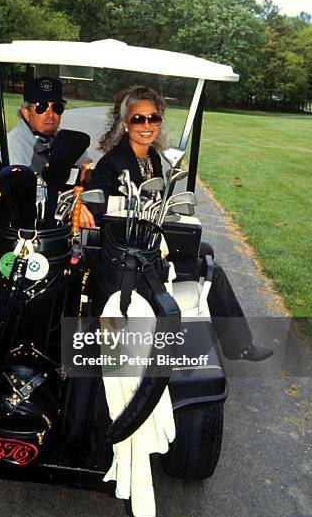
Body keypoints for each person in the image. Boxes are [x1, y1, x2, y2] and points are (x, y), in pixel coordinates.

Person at [83, 84, 272, 362]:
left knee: (203, 249)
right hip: (130, 255)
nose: (147, 125)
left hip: (148, 241)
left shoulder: (151, 158)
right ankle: (239, 345)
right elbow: (97, 207)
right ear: (126, 124)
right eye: (138, 119)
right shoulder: (113, 163)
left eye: (153, 118)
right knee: (212, 270)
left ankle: (220, 336)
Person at [5, 76, 90, 176]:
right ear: (26, 113)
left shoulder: (62, 138)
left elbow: (85, 164)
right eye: (41, 107)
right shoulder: (15, 148)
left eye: (57, 107)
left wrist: (86, 170)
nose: (50, 114)